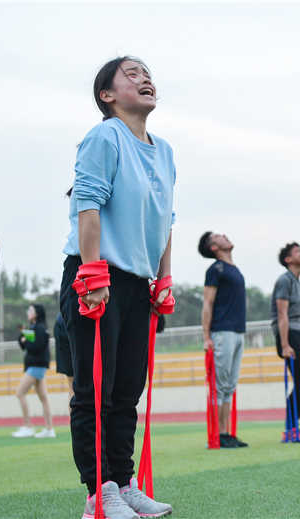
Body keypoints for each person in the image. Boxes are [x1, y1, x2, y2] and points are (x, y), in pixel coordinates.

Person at [59, 56, 174, 518]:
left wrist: (164, 278)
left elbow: (166, 220)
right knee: (94, 390)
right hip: (96, 277)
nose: (145, 78)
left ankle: (124, 483)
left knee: (127, 390)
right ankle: (98, 491)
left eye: (147, 72)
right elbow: (87, 205)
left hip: (136, 283)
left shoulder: (164, 150)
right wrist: (91, 274)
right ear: (106, 95)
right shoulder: (103, 136)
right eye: (131, 73)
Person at [199, 231, 248, 448]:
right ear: (213, 248)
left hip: (237, 331)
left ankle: (227, 433)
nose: (225, 235)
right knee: (220, 386)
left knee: (229, 386)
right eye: (218, 236)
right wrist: (206, 336)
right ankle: (219, 434)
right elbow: (207, 303)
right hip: (222, 332)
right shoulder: (215, 270)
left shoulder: (234, 269)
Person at [271, 242, 300, 442]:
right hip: (290, 334)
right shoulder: (284, 280)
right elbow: (282, 314)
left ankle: (294, 425)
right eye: (297, 252)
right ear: (288, 260)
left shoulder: (298, 283)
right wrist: (285, 344)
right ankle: (290, 428)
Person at [12, 304, 54, 438]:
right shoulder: (33, 328)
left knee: (20, 393)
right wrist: (22, 338)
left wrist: (26, 341)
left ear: (37, 313)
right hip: (36, 366)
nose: (28, 312)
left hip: (37, 366)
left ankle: (28, 426)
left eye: (30, 310)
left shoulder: (40, 328)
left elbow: (37, 346)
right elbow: (25, 345)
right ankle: (49, 429)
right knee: (43, 398)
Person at [53, 312, 74, 398]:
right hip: (72, 359)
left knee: (72, 390)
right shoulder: (64, 316)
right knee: (73, 390)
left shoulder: (60, 317)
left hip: (67, 359)